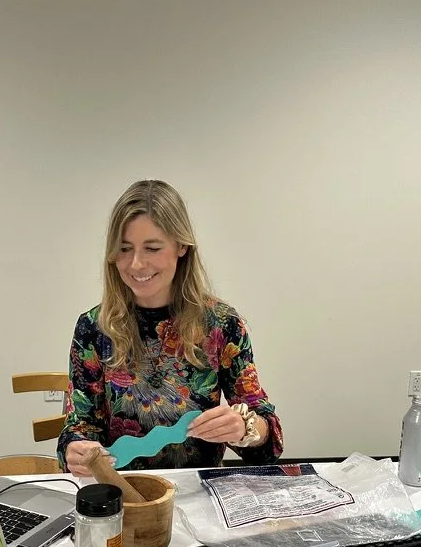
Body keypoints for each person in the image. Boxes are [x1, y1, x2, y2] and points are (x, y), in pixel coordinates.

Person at [57, 179, 284, 477]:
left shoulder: (221, 324)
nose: (136, 264)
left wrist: (245, 427)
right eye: (124, 249)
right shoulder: (94, 329)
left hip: (201, 491)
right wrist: (73, 448)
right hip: (125, 492)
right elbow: (79, 427)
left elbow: (270, 444)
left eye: (152, 248)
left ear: (181, 246)